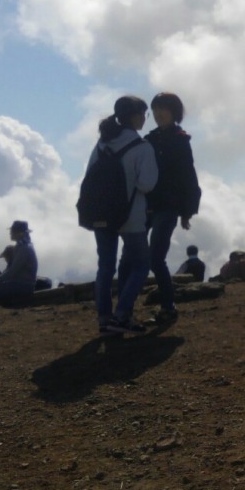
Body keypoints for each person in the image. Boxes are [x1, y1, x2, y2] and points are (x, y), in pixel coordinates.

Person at [89, 96, 158, 335]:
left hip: (101, 215)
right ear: (135, 116)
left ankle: (104, 319)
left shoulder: (102, 144)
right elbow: (147, 184)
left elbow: (89, 176)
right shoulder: (142, 147)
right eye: (144, 114)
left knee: (105, 267)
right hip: (131, 216)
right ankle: (122, 315)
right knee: (141, 265)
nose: (145, 119)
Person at [145, 92, 202, 322]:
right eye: (155, 109)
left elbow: (188, 177)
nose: (158, 113)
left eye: (163, 108)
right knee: (139, 256)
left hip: (167, 206)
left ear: (173, 112)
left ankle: (168, 306)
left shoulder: (180, 140)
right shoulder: (150, 139)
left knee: (155, 258)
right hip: (148, 204)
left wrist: (187, 212)